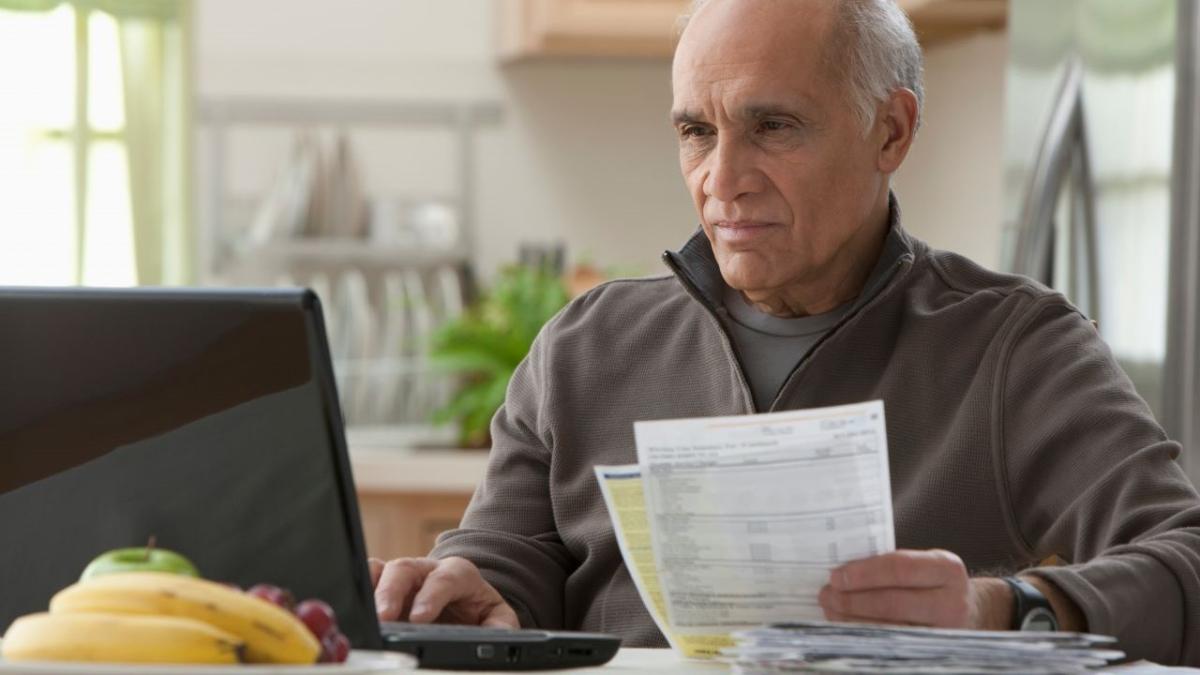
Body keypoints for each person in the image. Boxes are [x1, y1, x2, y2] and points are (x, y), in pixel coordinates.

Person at [370, 0, 1200, 665]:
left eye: (772, 126)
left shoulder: (1017, 347)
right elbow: (510, 553)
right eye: (697, 130)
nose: (721, 179)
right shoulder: (585, 342)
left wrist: (1005, 607)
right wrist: (473, 589)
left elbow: (1187, 555)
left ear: (892, 131)